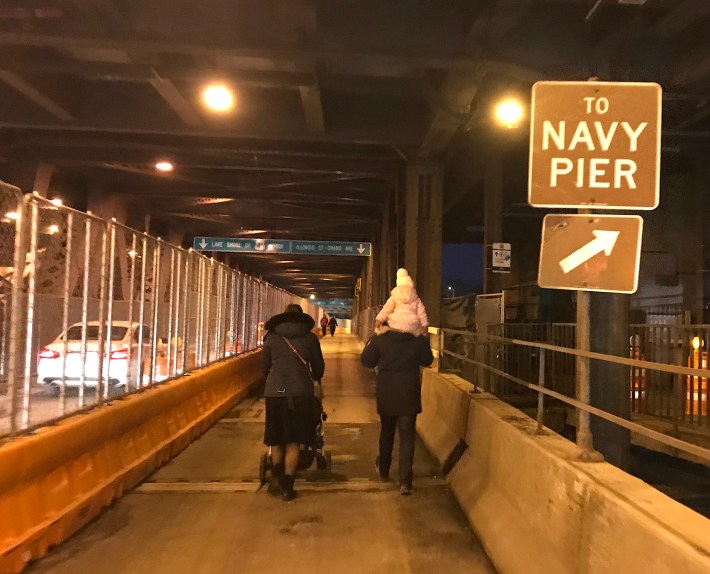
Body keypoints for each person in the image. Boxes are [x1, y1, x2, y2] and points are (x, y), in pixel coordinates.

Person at [262, 303, 325, 501]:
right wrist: (311, 375)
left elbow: (264, 368)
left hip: (276, 393)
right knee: (293, 441)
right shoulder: (310, 337)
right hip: (300, 394)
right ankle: (287, 487)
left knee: (277, 440)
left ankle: (277, 477)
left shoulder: (271, 338)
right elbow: (318, 369)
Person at [360, 326, 433, 495]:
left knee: (387, 432)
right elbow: (428, 360)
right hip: (409, 394)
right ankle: (405, 481)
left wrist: (373, 338)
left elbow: (367, 361)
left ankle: (384, 470)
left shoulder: (381, 339)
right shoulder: (416, 340)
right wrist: (423, 338)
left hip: (387, 393)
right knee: (407, 437)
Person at [374, 268, 429, 336]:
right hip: (412, 326)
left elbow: (386, 310)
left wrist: (378, 321)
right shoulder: (416, 299)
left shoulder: (394, 297)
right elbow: (422, 313)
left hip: (395, 324)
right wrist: (424, 328)